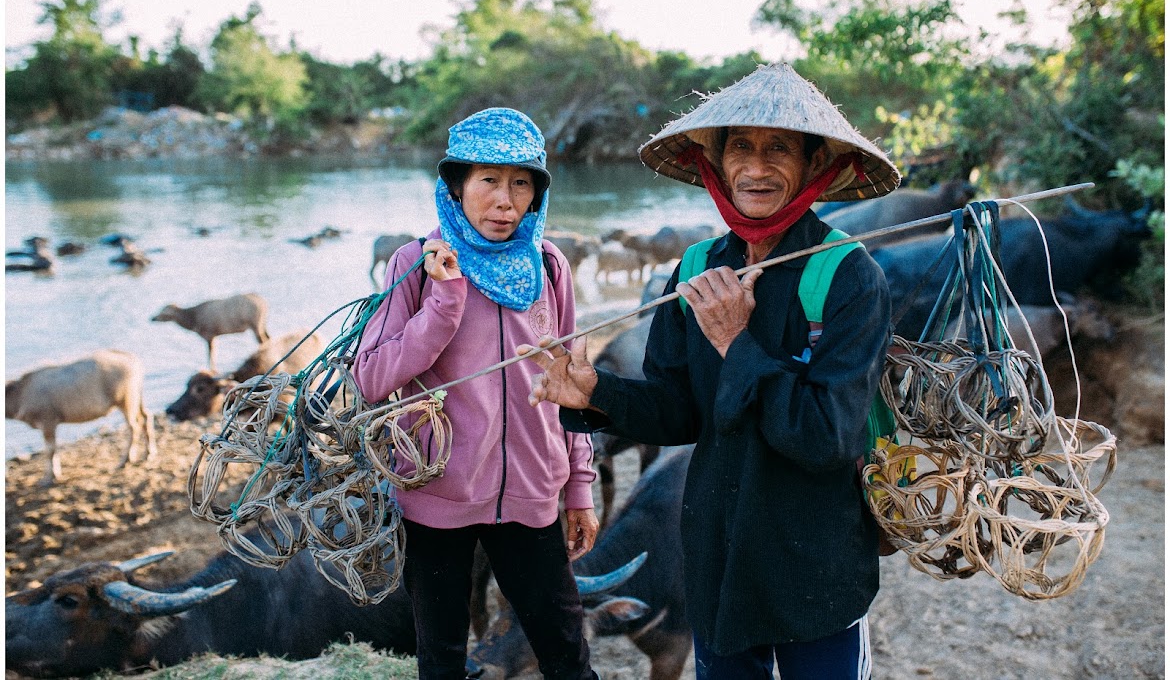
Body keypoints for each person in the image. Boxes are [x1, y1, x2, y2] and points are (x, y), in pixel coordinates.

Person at [522, 63, 902, 680]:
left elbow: (827, 436)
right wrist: (596, 393)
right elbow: (677, 409)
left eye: (778, 148)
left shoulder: (850, 276)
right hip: (718, 558)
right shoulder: (696, 268)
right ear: (715, 165)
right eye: (740, 149)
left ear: (813, 166)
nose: (756, 168)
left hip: (816, 565)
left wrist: (736, 341)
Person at [352, 107, 600, 680]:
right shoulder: (416, 263)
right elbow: (370, 378)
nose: (505, 201)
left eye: (521, 183)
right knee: (440, 661)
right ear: (456, 185)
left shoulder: (548, 265)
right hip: (436, 495)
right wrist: (443, 302)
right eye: (488, 180)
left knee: (567, 654)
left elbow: (570, 387)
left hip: (533, 496)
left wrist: (580, 488)